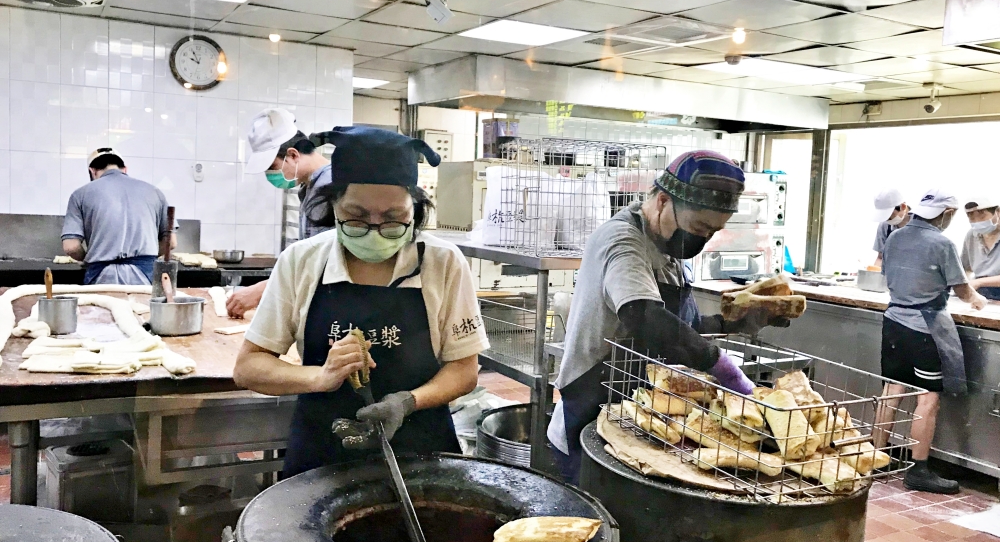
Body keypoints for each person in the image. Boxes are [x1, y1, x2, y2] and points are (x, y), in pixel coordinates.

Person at [232, 126, 489, 477]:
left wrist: (408, 401)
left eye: (393, 218)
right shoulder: (302, 261)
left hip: (421, 454)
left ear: (414, 209)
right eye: (356, 216)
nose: (374, 229)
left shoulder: (442, 262)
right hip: (322, 455)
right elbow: (248, 367)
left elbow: (464, 369)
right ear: (332, 204)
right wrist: (319, 377)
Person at [547, 150, 788, 483]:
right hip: (593, 401)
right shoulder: (623, 242)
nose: (702, 239)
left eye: (712, 232)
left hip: (645, 405)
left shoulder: (669, 247)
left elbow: (682, 332)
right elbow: (645, 318)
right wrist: (726, 370)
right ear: (662, 201)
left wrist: (737, 323)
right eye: (699, 227)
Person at [879, 190, 986, 494]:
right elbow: (963, 290)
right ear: (947, 213)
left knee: (891, 389)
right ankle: (919, 470)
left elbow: (890, 275)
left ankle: (877, 456)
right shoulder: (941, 243)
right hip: (923, 328)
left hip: (894, 322)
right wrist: (977, 300)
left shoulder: (895, 236)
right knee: (928, 397)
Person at [227, 108, 333, 317]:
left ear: (293, 155)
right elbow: (307, 258)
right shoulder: (311, 188)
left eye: (272, 166)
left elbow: (325, 264)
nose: (270, 175)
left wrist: (263, 290)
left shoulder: (329, 188)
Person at [61, 147, 173, 285]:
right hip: (145, 275)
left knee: (102, 307)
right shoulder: (155, 192)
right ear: (124, 169)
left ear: (92, 171)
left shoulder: (80, 194)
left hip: (101, 275)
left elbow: (71, 247)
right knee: (142, 307)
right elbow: (171, 241)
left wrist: (88, 259)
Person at [961, 196, 1000, 301]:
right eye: (972, 218)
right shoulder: (972, 235)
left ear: (998, 212)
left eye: (982, 217)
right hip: (981, 294)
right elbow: (965, 269)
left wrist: (979, 282)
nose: (977, 222)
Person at [872, 188, 911, 266]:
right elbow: (880, 258)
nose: (887, 220)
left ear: (903, 207)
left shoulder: (921, 223)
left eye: (889, 216)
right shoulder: (884, 225)